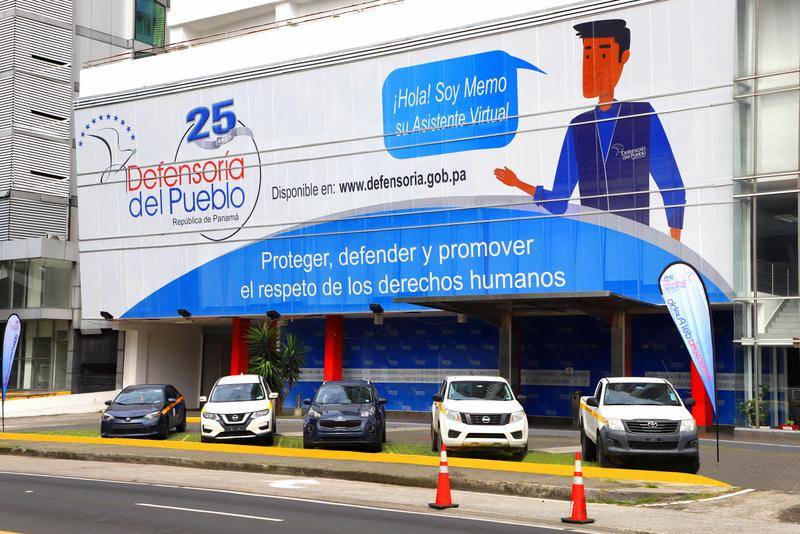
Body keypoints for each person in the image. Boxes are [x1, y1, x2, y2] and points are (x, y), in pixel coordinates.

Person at [494, 19, 685, 240]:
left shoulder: (641, 116)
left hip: (635, 247)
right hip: (593, 249)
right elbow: (558, 202)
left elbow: (672, 185)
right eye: (587, 56)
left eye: (602, 55)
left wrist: (675, 241)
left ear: (624, 58)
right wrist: (517, 183)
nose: (591, 66)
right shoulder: (578, 127)